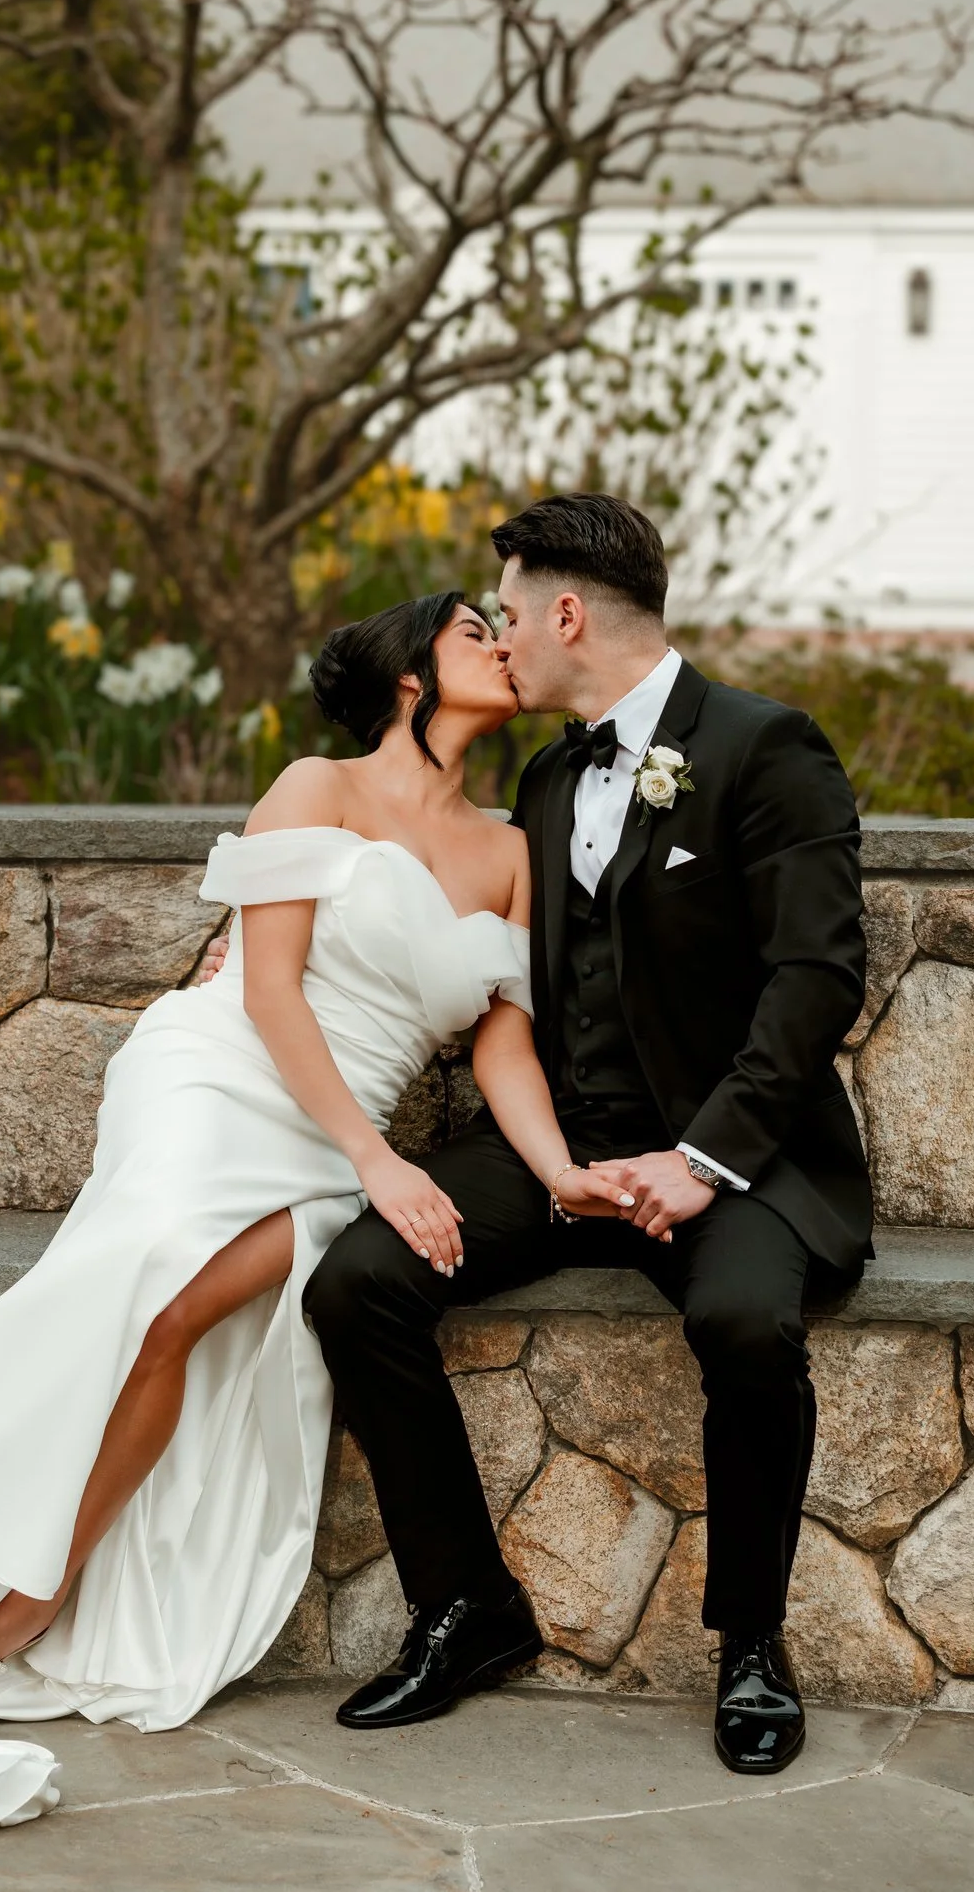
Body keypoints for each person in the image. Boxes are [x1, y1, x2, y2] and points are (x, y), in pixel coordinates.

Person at [0, 590, 636, 1833]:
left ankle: (9, 1624)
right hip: (224, 1074)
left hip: (344, 1143)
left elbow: (504, 1046)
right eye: (472, 631)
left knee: (181, 1320)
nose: (502, 645)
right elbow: (273, 993)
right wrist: (381, 1162)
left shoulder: (507, 847)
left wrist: (555, 1175)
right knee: (144, 1262)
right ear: (410, 677)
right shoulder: (314, 788)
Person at [278, 493, 873, 1774]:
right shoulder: (546, 779)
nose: (500, 637)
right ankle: (467, 1607)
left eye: (506, 610)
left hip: (736, 1157)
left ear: (564, 612)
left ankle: (753, 1648)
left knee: (745, 1324)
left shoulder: (771, 749)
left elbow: (815, 979)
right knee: (361, 1284)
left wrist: (703, 1158)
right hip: (566, 1143)